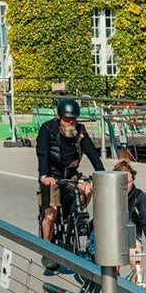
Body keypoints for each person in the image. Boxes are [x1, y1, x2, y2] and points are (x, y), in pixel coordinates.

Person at [35, 98, 104, 264]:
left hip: (71, 175)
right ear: (59, 117)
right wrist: (45, 176)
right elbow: (43, 153)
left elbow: (92, 153)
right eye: (67, 119)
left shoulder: (79, 131)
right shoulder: (47, 129)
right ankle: (47, 249)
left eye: (73, 118)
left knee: (88, 189)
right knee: (50, 216)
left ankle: (74, 215)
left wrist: (102, 174)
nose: (71, 122)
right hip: (52, 176)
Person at [113, 161, 146, 255]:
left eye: (128, 182)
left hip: (132, 237)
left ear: (133, 180)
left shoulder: (139, 196)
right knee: (111, 265)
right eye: (122, 182)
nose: (126, 186)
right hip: (111, 236)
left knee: (136, 259)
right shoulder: (110, 195)